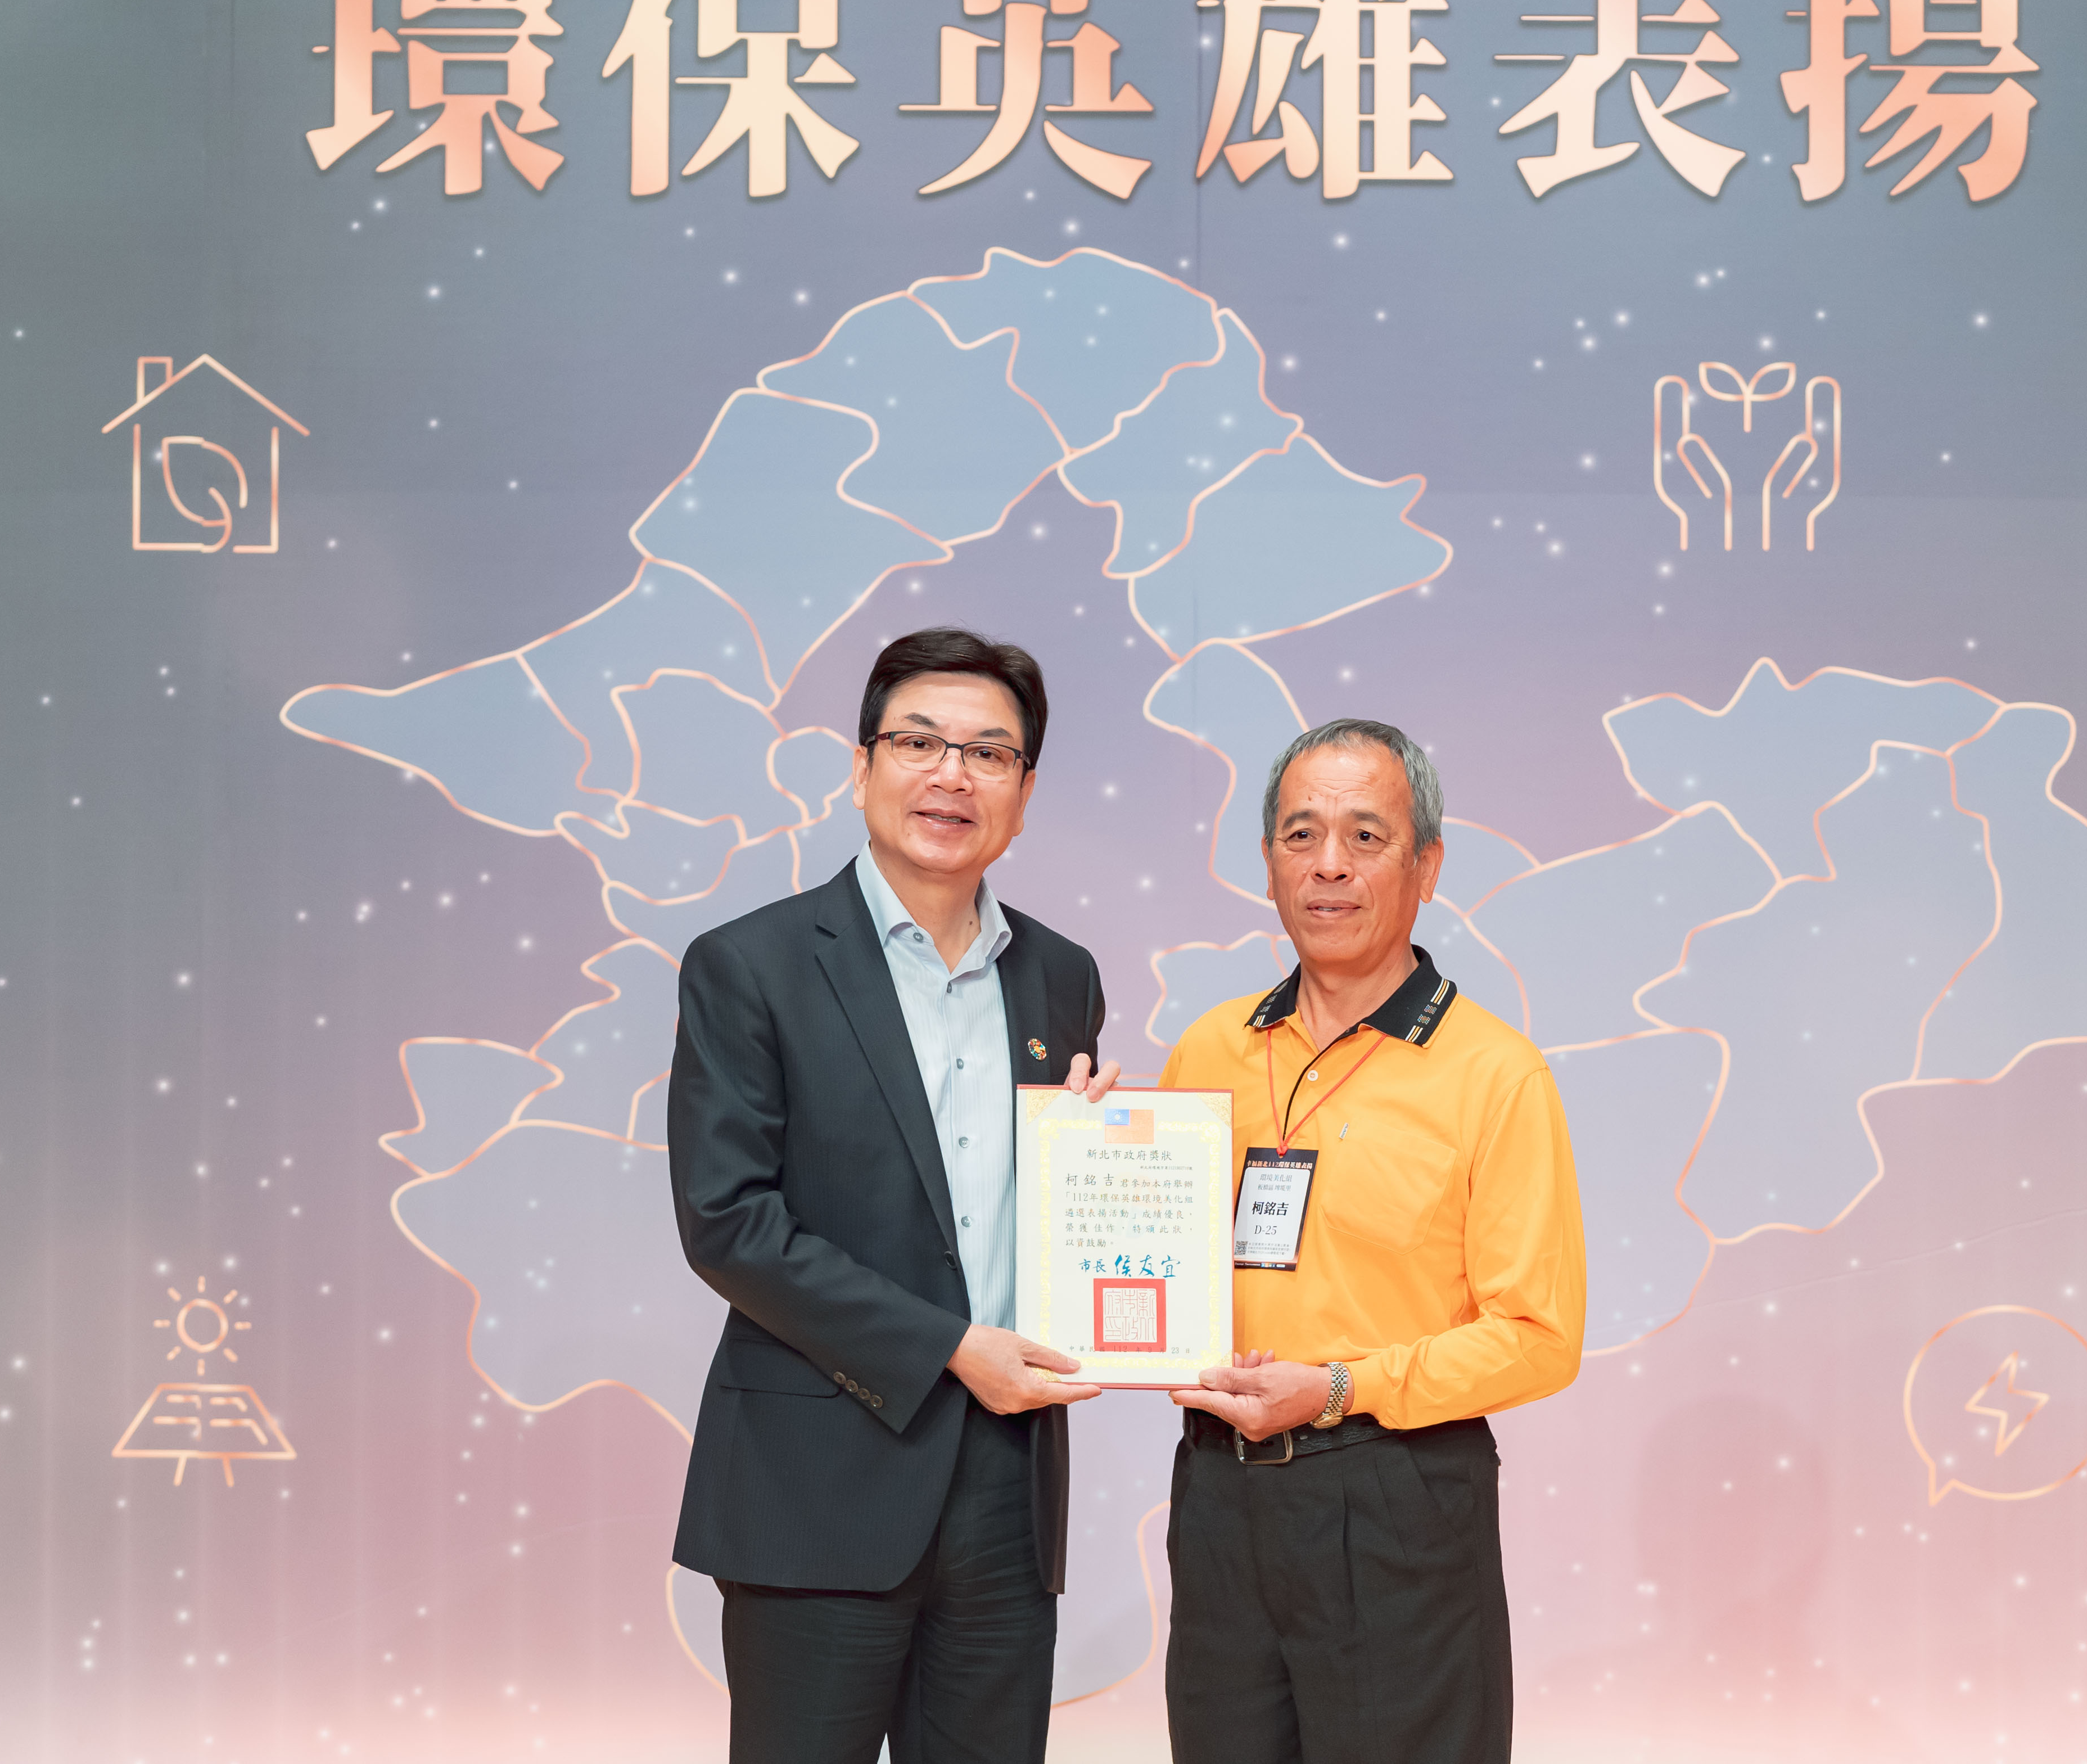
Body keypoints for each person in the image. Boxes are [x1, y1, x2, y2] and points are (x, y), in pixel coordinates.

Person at [667, 627, 1121, 1764]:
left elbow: (1038, 1216)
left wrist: (1099, 1167)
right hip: (817, 1483)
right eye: (919, 742)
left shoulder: (1061, 975)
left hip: (1007, 1489)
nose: (951, 774)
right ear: (862, 765)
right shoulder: (750, 964)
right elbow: (730, 1222)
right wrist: (952, 1347)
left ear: (1024, 791)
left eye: (989, 752)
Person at [1158, 718, 1586, 1764]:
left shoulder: (1495, 1072)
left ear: (1426, 865)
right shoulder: (1209, 1048)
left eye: (1366, 835)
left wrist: (1341, 1386)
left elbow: (1539, 1337)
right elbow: (1153, 1258)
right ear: (1268, 863)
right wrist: (1080, 1151)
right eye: (1301, 834)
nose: (1330, 865)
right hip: (1220, 1495)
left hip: (1397, 1493)